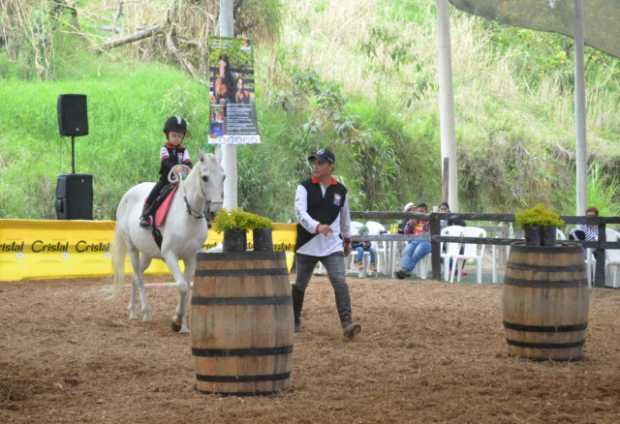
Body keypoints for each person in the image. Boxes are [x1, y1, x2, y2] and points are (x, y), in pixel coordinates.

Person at [292, 148, 361, 339]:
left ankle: (347, 323)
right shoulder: (303, 187)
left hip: (332, 245)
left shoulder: (341, 191)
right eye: (314, 162)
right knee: (300, 284)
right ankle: (294, 318)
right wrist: (316, 227)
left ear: (330, 166)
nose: (316, 166)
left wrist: (347, 240)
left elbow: (345, 218)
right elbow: (300, 213)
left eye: (321, 163)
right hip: (307, 244)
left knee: (339, 281)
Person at [139, 116, 192, 228]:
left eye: (179, 136)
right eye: (174, 135)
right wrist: (175, 167)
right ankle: (146, 213)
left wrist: (188, 168)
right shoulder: (164, 149)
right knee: (156, 192)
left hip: (181, 181)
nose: (176, 138)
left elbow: (188, 162)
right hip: (166, 180)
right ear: (167, 135)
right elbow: (166, 162)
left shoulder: (184, 150)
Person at [395, 203, 431, 279]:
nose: (420, 213)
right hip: (414, 241)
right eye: (418, 211)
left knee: (416, 253)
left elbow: (430, 234)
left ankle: (405, 270)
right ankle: (405, 271)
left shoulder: (429, 221)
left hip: (425, 242)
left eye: (422, 211)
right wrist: (411, 223)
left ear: (426, 211)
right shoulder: (413, 220)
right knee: (406, 251)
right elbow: (406, 232)